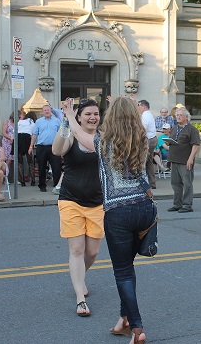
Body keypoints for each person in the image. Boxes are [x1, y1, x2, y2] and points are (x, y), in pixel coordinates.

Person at [63, 96, 153, 344]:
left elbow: (79, 136)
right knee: (129, 268)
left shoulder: (104, 142)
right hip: (145, 209)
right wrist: (131, 107)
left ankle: (136, 329)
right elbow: (134, 122)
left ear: (110, 117)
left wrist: (71, 114)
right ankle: (124, 319)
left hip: (119, 212)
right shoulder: (143, 138)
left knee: (123, 272)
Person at [52, 99, 103, 317]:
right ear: (79, 117)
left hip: (97, 202)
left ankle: (79, 276)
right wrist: (66, 121)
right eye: (88, 114)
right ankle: (80, 299)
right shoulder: (71, 135)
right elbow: (56, 150)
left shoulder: (103, 138)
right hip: (70, 199)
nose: (93, 117)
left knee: (92, 252)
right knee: (77, 249)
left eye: (96, 114)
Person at [167, 106, 200, 213]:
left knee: (187, 183)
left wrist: (190, 159)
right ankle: (177, 204)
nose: (178, 117)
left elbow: (195, 145)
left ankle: (187, 205)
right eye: (177, 115)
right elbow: (173, 140)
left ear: (186, 117)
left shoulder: (192, 129)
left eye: (180, 115)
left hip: (185, 160)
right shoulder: (175, 128)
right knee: (175, 183)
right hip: (174, 159)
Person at [28, 104, 62, 192]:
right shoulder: (39, 122)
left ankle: (57, 185)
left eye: (48, 110)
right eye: (45, 110)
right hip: (41, 147)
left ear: (51, 111)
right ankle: (42, 185)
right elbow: (35, 134)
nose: (47, 111)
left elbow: (61, 134)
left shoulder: (57, 121)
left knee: (56, 167)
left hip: (54, 147)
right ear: (42, 112)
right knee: (42, 167)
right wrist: (31, 146)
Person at [138, 100, 157, 189]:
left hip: (148, 140)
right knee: (149, 162)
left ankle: (144, 183)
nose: (138, 107)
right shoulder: (149, 114)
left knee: (143, 161)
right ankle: (152, 183)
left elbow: (143, 129)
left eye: (139, 106)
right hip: (152, 139)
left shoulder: (145, 115)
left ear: (144, 106)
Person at [17, 110, 37, 186]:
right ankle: (33, 180)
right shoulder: (33, 123)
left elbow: (14, 131)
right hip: (27, 139)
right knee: (30, 161)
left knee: (20, 162)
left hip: (19, 139)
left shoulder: (20, 122)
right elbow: (34, 134)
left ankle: (22, 181)